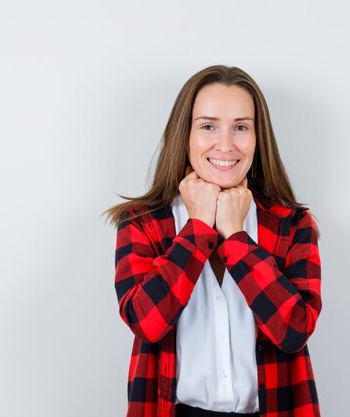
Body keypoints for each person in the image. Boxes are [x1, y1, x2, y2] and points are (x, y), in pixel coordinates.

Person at [104, 65, 322, 417]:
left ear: (257, 137)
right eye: (208, 126)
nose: (226, 144)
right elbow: (146, 323)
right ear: (184, 135)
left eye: (240, 127)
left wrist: (237, 237)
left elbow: (295, 330)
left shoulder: (292, 225)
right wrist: (198, 227)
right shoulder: (142, 223)